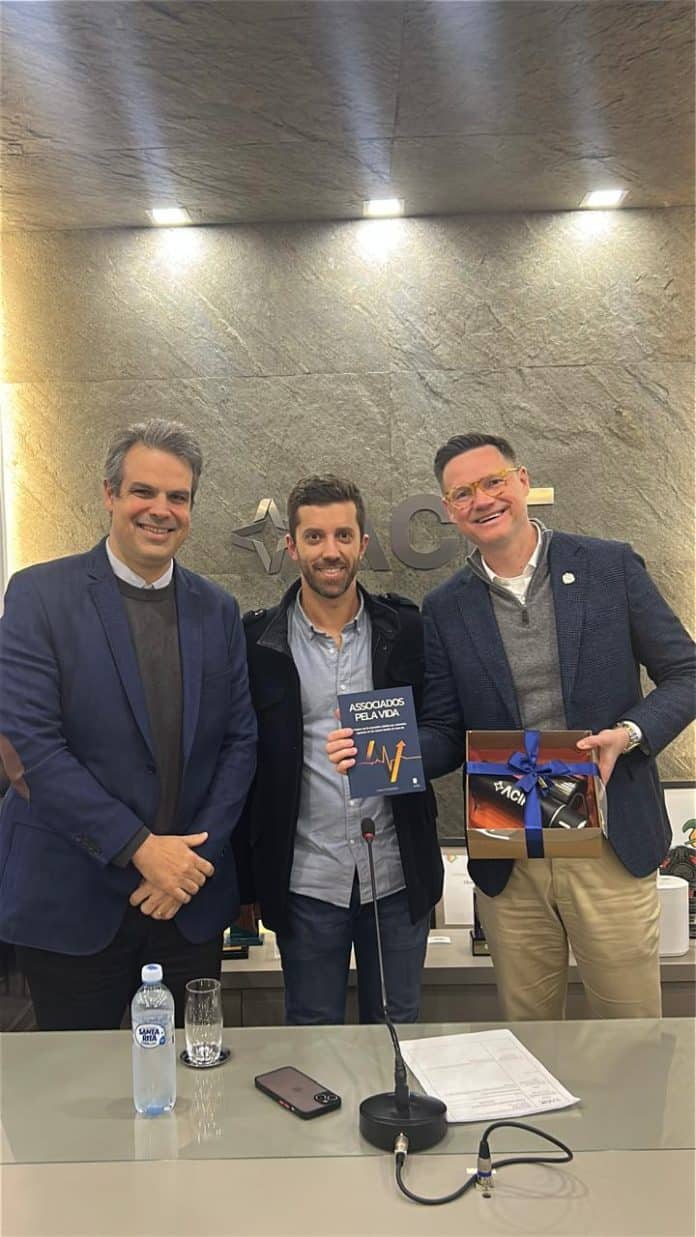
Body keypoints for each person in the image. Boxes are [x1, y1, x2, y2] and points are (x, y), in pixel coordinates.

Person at [328, 433, 696, 1020]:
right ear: (449, 510)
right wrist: (379, 751)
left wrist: (628, 734)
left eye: (493, 482)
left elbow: (686, 673)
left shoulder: (608, 566)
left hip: (609, 843)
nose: (482, 500)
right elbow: (446, 729)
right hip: (508, 849)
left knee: (630, 1034)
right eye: (463, 493)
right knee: (529, 1037)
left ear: (522, 481)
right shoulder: (446, 606)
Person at [0, 418, 257, 1029]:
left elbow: (239, 743)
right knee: (78, 1083)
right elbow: (33, 748)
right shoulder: (38, 595)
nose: (160, 510)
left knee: (194, 1079)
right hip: (75, 900)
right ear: (110, 494)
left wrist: (187, 865)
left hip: (187, 904)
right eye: (143, 491)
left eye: (178, 497)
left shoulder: (217, 608)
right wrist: (141, 849)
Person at [237, 475, 442, 1025]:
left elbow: (445, 729)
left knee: (397, 1032)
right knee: (311, 1034)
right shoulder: (256, 643)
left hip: (396, 878)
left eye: (343, 536)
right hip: (306, 881)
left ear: (362, 544)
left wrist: (394, 750)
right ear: (291, 546)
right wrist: (245, 882)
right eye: (315, 537)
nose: (330, 551)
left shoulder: (408, 630)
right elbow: (241, 762)